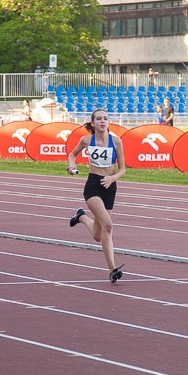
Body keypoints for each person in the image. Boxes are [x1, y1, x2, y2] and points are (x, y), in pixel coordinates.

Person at [66, 108, 127, 284]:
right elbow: (72, 155)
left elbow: (123, 169)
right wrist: (71, 166)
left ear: (109, 122)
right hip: (93, 186)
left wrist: (112, 178)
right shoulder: (86, 140)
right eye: (99, 119)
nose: (103, 121)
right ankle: (112, 269)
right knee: (108, 225)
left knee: (98, 235)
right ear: (93, 123)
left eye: (105, 119)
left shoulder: (116, 141)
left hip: (110, 186)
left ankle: (81, 217)